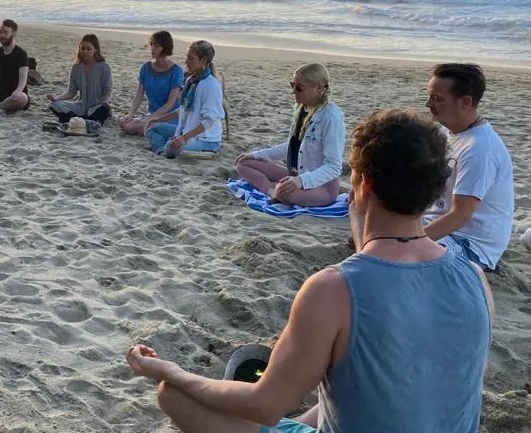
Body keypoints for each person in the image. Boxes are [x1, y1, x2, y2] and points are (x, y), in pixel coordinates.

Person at [126, 109, 493, 433]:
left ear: (362, 185)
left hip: (274, 397)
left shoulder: (334, 289)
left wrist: (170, 371)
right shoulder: (474, 278)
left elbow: (265, 406)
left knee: (175, 394)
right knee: (373, 374)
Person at [423, 63, 514, 271]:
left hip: (470, 242)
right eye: (429, 96)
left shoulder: (479, 149)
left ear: (465, 102)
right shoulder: (448, 132)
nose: (428, 104)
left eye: (437, 99)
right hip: (438, 224)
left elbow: (460, 215)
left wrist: (409, 241)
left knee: (401, 253)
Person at [235, 63, 345, 206]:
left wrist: (301, 181)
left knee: (283, 191)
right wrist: (258, 155)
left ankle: (277, 191)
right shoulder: (302, 109)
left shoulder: (330, 117)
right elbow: (293, 146)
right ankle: (271, 190)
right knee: (243, 163)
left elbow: (333, 166)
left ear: (319, 87)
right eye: (292, 85)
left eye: (299, 88)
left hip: (322, 186)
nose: (293, 92)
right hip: (295, 174)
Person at [144, 40, 225, 157]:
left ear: (203, 60)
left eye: (191, 58)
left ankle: (205, 151)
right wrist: (159, 119)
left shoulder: (210, 85)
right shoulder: (191, 81)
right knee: (152, 127)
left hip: (206, 139)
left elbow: (209, 121)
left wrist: (183, 138)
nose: (186, 61)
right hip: (186, 131)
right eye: (187, 57)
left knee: (171, 146)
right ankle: (162, 152)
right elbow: (182, 111)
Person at [119, 31, 183, 135]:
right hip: (152, 114)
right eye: (151, 44)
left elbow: (171, 103)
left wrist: (151, 118)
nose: (152, 48)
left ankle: (152, 129)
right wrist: (131, 113)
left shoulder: (176, 71)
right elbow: (139, 95)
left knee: (152, 126)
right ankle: (149, 128)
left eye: (156, 46)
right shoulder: (146, 68)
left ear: (165, 47)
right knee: (125, 124)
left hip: (169, 117)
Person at [46, 34, 113, 123]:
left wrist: (106, 102)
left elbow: (107, 91)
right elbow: (71, 92)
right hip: (81, 106)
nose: (85, 51)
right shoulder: (76, 67)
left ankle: (76, 119)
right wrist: (57, 97)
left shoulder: (105, 67)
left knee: (104, 110)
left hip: (97, 107)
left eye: (88, 49)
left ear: (95, 50)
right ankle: (84, 120)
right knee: (55, 105)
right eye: (82, 48)